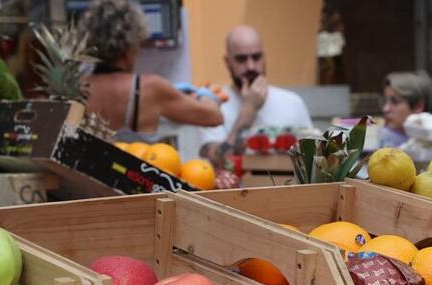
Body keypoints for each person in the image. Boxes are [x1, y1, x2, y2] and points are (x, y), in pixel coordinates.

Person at [78, 0, 222, 135]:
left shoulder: (76, 88)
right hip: (140, 159)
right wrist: (205, 95)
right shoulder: (147, 88)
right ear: (130, 47)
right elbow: (213, 117)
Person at [199, 25, 314, 167]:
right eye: (241, 59)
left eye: (256, 57)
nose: (251, 66)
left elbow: (312, 160)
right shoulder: (213, 105)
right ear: (227, 62)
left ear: (264, 57)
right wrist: (249, 109)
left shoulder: (293, 102)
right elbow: (219, 161)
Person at [379, 71, 432, 148]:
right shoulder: (377, 140)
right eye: (385, 101)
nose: (385, 109)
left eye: (395, 101)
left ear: (418, 106)